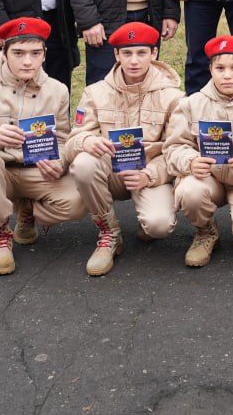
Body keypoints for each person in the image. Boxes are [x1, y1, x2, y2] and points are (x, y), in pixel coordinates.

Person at [0, 17, 85, 275]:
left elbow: (64, 140)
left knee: (78, 200)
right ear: (4, 52)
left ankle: (27, 211)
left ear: (44, 55)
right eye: (18, 53)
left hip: (34, 170)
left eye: (35, 53)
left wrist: (60, 161)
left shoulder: (57, 90)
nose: (27, 61)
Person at [63, 23, 184, 276]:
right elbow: (73, 139)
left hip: (149, 174)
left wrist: (149, 175)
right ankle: (109, 233)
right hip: (110, 172)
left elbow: (177, 150)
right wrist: (85, 141)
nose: (134, 61)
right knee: (84, 163)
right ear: (116, 55)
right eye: (126, 53)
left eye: (141, 53)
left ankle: (145, 221)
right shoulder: (95, 93)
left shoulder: (174, 97)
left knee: (159, 226)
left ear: (154, 53)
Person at [165, 35, 233, 268]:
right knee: (190, 191)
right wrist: (191, 161)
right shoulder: (191, 104)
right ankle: (205, 231)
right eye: (220, 68)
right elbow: (174, 147)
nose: (227, 75)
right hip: (208, 178)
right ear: (210, 69)